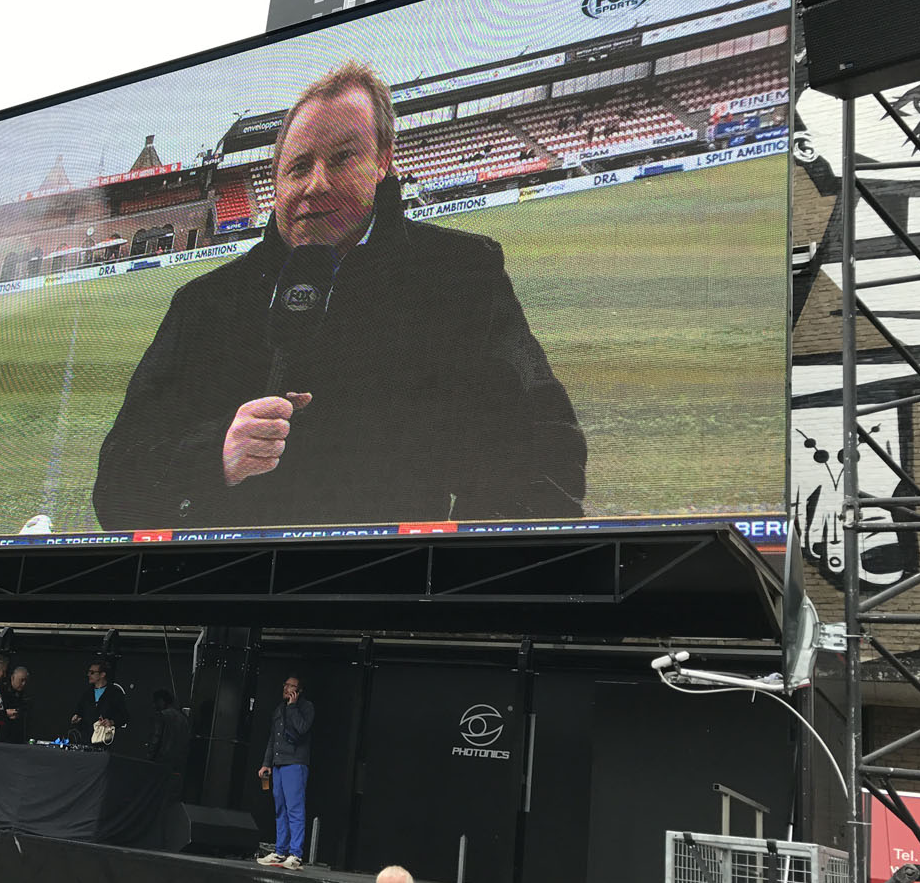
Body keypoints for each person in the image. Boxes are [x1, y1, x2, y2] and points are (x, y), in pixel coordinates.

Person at [92, 61, 585, 531]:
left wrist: (458, 571)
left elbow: (542, 448)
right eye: (299, 166)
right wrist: (214, 455)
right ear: (275, 181)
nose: (317, 184)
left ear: (382, 162)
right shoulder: (203, 304)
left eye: (343, 157)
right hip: (240, 600)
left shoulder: (459, 273)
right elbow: (115, 489)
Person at [256, 674, 314, 870]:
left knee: (294, 809)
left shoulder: (305, 708)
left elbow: (302, 729)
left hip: (295, 763)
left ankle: (296, 854)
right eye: (286, 685)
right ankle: (281, 851)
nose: (287, 688)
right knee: (280, 808)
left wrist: (293, 707)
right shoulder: (278, 709)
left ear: (299, 691)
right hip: (279, 763)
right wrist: (266, 763)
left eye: (292, 686)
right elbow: (273, 739)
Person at [70, 658, 129, 744]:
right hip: (85, 739)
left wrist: (111, 722)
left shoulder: (114, 693)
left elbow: (124, 716)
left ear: (102, 674)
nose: (89, 675)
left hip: (103, 740)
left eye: (92, 672)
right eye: (89, 672)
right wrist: (76, 717)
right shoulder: (87, 694)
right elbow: (79, 711)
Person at [146, 688, 191, 771]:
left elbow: (156, 738)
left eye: (155, 702)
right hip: (178, 763)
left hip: (161, 760)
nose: (154, 705)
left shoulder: (162, 715)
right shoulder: (184, 719)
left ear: (161, 701)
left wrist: (149, 757)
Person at [0, 666, 31, 744]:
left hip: (17, 734)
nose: (24, 684)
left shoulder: (24, 694)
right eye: (21, 680)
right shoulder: (2, 690)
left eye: (26, 681)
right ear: (13, 678)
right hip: (2, 733)